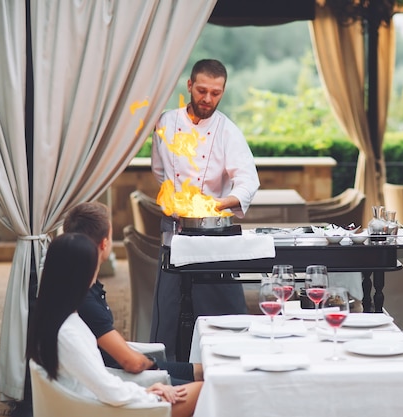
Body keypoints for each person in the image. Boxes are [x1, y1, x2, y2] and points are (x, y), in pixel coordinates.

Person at [151, 59, 260, 359]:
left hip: (214, 232)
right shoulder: (166, 123)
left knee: (221, 310)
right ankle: (171, 372)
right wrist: (175, 201)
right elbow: (160, 171)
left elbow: (248, 180)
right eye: (202, 91)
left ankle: (226, 363)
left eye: (216, 93)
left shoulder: (227, 131)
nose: (208, 99)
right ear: (189, 86)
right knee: (170, 306)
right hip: (174, 229)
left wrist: (219, 204)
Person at [26, 233, 202, 417]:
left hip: (101, 403)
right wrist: (152, 397)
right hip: (107, 409)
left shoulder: (55, 320)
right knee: (205, 390)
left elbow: (103, 382)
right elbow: (108, 390)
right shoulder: (67, 332)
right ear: (80, 276)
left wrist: (147, 391)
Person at [64, 202, 202, 384]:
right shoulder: (85, 299)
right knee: (208, 386)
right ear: (105, 244)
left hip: (131, 368)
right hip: (123, 379)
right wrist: (154, 366)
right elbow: (130, 363)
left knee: (206, 371)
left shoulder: (83, 285)